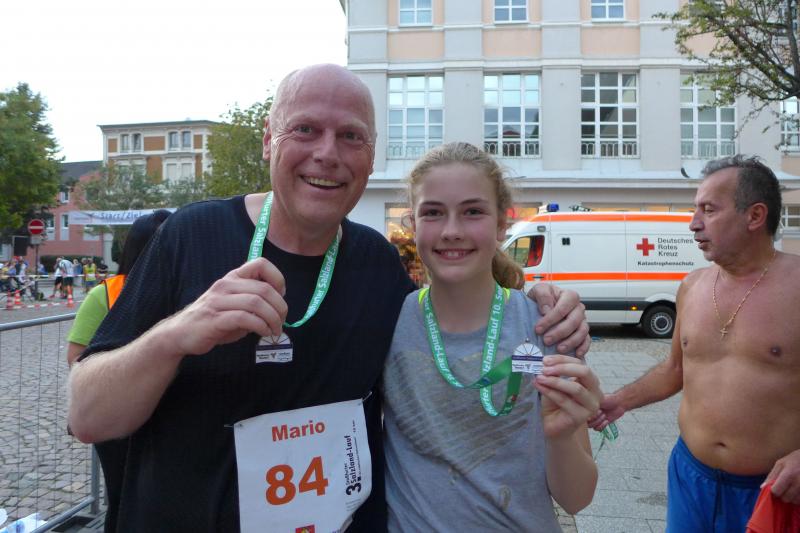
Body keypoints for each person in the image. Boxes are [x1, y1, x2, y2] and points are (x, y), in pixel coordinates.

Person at [67, 64, 590, 533]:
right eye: (305, 129)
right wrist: (175, 335)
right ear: (268, 141)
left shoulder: (377, 265)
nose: (327, 153)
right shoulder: (191, 234)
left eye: (350, 136)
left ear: (371, 156)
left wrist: (540, 300)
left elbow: (457, 316)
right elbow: (87, 418)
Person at [382, 142, 600, 531]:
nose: (452, 231)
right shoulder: (386, 322)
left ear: (502, 223)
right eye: (433, 212)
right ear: (413, 224)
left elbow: (576, 499)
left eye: (472, 212)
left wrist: (561, 438)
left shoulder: (546, 327)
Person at [589, 155, 800, 532]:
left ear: (754, 216)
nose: (693, 223)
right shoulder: (692, 287)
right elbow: (675, 369)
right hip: (690, 477)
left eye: (709, 210)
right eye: (695, 209)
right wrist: (618, 401)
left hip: (773, 491)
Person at [65, 210, 171, 533]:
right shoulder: (106, 293)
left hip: (170, 414)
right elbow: (76, 357)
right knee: (124, 499)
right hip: (119, 419)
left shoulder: (183, 286)